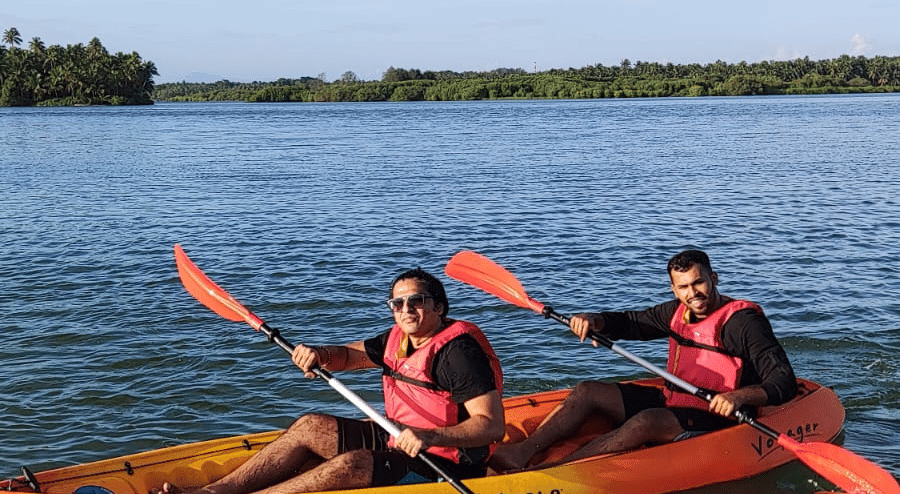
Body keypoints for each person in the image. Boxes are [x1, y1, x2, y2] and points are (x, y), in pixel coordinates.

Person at [155, 267, 505, 493]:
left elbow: (490, 427)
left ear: (439, 307)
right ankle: (212, 493)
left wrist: (429, 436)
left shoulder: (458, 354)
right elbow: (349, 356)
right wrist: (318, 355)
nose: (406, 309)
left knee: (351, 465)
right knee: (309, 426)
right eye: (397, 303)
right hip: (398, 436)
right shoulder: (398, 339)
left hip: (447, 461)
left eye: (416, 301)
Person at [489, 249, 797, 472]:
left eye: (699, 283)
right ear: (674, 289)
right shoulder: (676, 312)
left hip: (720, 416)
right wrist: (595, 320)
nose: (694, 293)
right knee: (587, 390)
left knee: (647, 420)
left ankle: (553, 471)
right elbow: (633, 322)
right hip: (676, 399)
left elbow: (783, 380)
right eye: (684, 287)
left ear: (713, 278)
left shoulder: (743, 323)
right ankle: (522, 453)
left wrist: (738, 396)